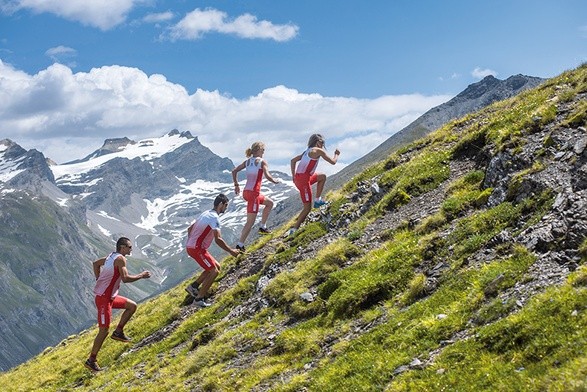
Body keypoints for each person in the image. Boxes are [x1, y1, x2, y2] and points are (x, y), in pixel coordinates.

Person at [84, 237, 151, 372]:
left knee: (132, 306)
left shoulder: (111, 256)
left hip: (110, 297)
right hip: (104, 299)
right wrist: (142, 275)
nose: (131, 249)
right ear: (122, 248)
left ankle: (118, 332)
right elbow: (125, 279)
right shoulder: (120, 259)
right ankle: (91, 360)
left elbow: (95, 264)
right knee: (103, 331)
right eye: (129, 247)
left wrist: (99, 279)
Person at [185, 193, 240, 307]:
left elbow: (189, 228)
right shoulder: (214, 217)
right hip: (197, 248)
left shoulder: (205, 213)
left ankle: (193, 287)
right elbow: (218, 239)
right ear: (221, 204)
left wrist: (191, 241)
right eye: (226, 205)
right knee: (214, 271)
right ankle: (199, 299)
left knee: (216, 266)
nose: (226, 208)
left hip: (193, 247)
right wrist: (231, 251)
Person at [231, 141, 280, 251]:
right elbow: (267, 176)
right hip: (253, 194)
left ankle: (263, 227)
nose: (264, 152)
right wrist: (274, 181)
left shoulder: (247, 162)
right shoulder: (262, 162)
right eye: (263, 150)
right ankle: (240, 245)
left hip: (247, 193)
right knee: (250, 222)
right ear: (258, 150)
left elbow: (234, 171)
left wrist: (236, 185)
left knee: (269, 203)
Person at [289, 133, 340, 236]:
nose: (323, 144)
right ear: (317, 142)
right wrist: (337, 154)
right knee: (307, 208)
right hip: (304, 181)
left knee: (322, 176)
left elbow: (293, 161)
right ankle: (294, 229)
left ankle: (318, 200)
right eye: (322, 142)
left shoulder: (306, 152)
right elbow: (333, 162)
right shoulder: (318, 151)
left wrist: (293, 176)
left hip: (301, 178)